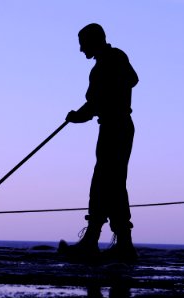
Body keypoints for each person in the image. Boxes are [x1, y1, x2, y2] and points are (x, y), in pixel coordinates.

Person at [59, 23, 139, 263]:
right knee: (110, 183)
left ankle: (96, 241)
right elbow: (98, 101)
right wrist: (80, 114)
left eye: (83, 44)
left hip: (117, 127)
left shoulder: (111, 60)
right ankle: (118, 242)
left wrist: (79, 114)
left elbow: (101, 99)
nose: (81, 50)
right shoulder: (107, 62)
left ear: (94, 41)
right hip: (114, 127)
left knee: (106, 182)